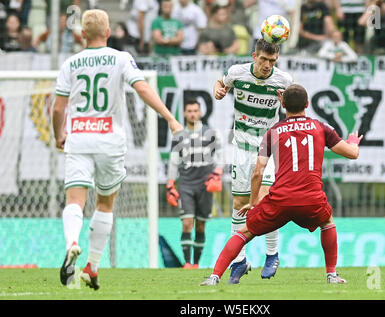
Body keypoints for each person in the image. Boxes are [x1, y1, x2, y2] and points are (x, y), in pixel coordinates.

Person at [52, 9, 183, 290]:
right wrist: (169, 117)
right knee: (105, 203)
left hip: (79, 138)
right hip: (110, 140)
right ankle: (93, 266)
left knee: (75, 200)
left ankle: (72, 242)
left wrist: (58, 134)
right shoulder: (121, 58)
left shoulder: (71, 63)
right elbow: (143, 89)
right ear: (109, 33)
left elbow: (58, 107)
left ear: (82, 34)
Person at [201, 84, 363, 286]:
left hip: (281, 200)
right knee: (327, 222)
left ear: (283, 105)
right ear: (307, 104)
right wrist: (353, 142)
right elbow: (352, 153)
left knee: (244, 233)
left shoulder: (273, 132)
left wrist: (253, 203)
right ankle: (331, 275)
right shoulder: (320, 127)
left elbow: (258, 171)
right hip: (311, 199)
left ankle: (214, 277)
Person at [213, 38, 293, 284]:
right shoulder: (238, 73)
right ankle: (240, 261)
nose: (268, 65)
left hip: (269, 148)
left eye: (272, 61)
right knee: (239, 203)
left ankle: (272, 254)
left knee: (265, 200)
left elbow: (295, 110)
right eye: (264, 59)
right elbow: (220, 83)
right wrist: (218, 89)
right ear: (254, 56)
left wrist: (285, 105)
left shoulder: (284, 80)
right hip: (241, 148)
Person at [166, 100, 222, 269]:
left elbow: (221, 155)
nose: (192, 113)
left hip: (205, 183)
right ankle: (187, 263)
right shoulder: (179, 135)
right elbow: (174, 162)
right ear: (184, 114)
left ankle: (196, 263)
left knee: (201, 224)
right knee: (187, 222)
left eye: (195, 110)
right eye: (189, 110)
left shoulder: (210, 133)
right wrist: (170, 185)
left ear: (200, 113)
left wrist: (217, 173)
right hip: (186, 183)